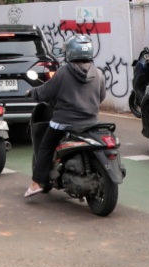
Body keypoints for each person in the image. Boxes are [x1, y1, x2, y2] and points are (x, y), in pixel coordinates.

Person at [24, 36, 106, 198]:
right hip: (91, 123)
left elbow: (45, 92)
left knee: (45, 147)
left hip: (64, 122)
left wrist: (32, 92)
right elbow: (101, 96)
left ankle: (37, 183)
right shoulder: (98, 73)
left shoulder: (64, 72)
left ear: (70, 51)